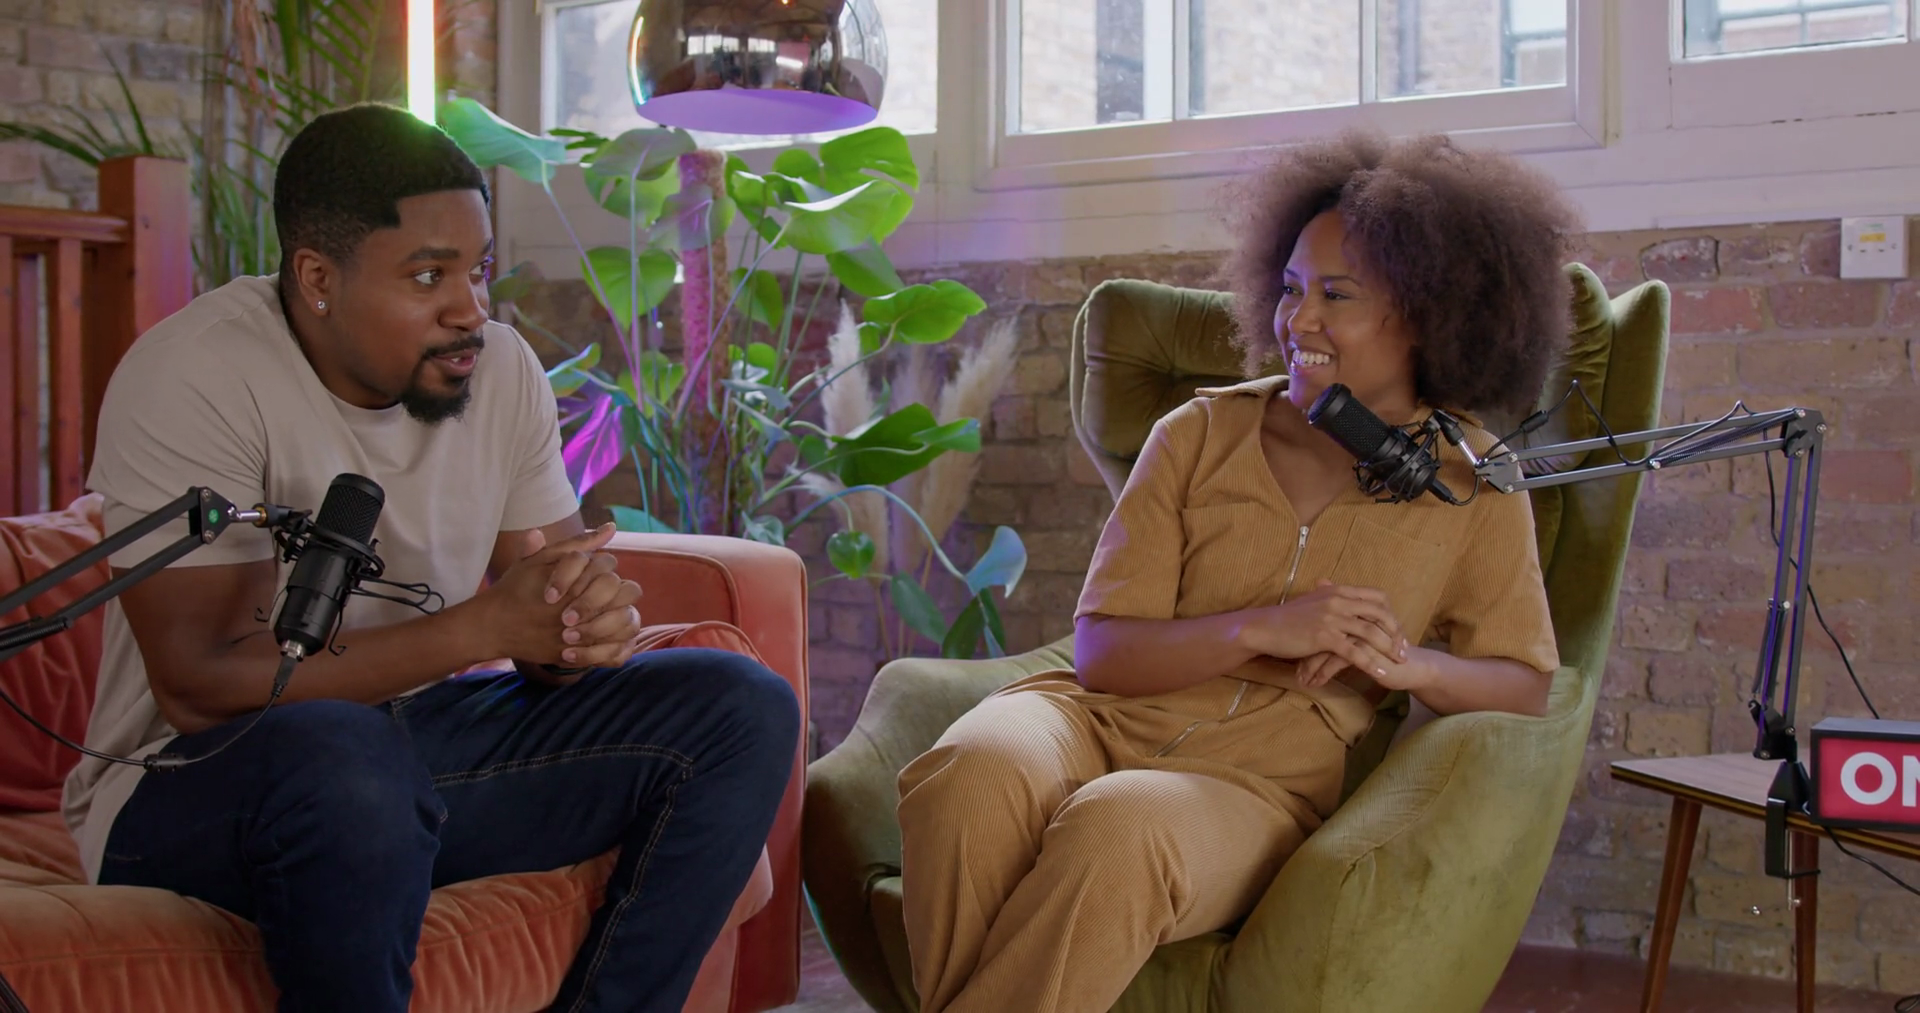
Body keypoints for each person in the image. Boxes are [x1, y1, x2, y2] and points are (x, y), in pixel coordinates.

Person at [62, 103, 800, 1013]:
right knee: (350, 758)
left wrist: (573, 628)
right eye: (427, 276)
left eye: (478, 269)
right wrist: (483, 628)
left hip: (406, 756)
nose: (470, 309)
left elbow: (549, 610)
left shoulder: (501, 372)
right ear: (318, 278)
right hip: (187, 788)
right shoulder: (195, 375)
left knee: (740, 707)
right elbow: (199, 685)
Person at [894, 131, 1582, 1013]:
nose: (1299, 320)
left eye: (1337, 294)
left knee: (1119, 827)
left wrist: (1408, 665)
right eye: (1291, 288)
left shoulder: (1470, 482)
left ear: (1425, 315)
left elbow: (1526, 684)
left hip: (1256, 787)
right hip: (1092, 720)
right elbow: (1102, 653)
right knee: (968, 775)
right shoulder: (1198, 433)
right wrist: (1262, 626)